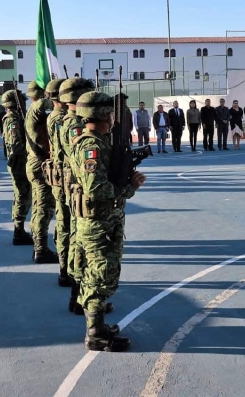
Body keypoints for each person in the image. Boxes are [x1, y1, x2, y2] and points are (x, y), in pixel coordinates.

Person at [70, 90, 146, 352]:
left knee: (97, 274)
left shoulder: (99, 142)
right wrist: (128, 187)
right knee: (99, 276)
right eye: (111, 113)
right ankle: (95, 334)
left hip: (102, 221)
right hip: (99, 223)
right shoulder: (91, 146)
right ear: (102, 115)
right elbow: (97, 189)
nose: (114, 118)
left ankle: (98, 326)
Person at [58, 77, 95, 313]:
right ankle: (78, 295)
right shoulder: (74, 125)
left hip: (75, 184)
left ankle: (79, 294)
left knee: (77, 238)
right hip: (79, 185)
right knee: (78, 240)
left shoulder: (72, 121)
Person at [25, 80, 58, 264]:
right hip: (40, 163)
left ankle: (39, 246)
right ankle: (40, 249)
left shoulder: (32, 110)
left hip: (35, 163)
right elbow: (45, 103)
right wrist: (52, 92)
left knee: (39, 207)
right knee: (43, 208)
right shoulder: (37, 106)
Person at [46, 79, 71, 285]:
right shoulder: (61, 119)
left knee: (64, 223)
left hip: (60, 175)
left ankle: (65, 267)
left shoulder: (56, 117)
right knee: (66, 224)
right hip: (64, 177)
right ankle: (66, 269)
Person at [1, 90, 33, 246]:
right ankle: (18, 230)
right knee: (22, 195)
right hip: (19, 163)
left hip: (21, 162)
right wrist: (32, 148)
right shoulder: (12, 119)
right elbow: (16, 145)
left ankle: (19, 229)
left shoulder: (18, 118)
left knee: (24, 195)